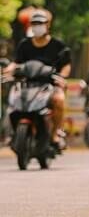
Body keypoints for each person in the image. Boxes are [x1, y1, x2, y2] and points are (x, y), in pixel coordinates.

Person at [6, 9, 71, 148]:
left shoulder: (57, 45)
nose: (37, 26)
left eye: (40, 23)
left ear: (47, 25)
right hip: (28, 84)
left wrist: (62, 76)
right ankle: (15, 134)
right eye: (34, 23)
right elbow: (16, 62)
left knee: (59, 100)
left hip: (51, 83)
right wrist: (9, 69)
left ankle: (55, 134)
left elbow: (66, 65)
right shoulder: (25, 44)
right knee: (13, 104)